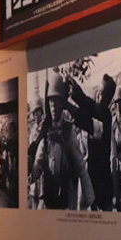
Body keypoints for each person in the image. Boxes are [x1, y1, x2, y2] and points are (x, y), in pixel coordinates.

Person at [31, 73, 94, 210]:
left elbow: (80, 164)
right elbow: (38, 162)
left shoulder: (68, 130)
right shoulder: (45, 131)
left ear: (62, 105)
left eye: (57, 102)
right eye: (51, 102)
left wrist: (89, 195)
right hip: (49, 192)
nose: (53, 107)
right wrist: (31, 173)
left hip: (66, 193)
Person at [65, 73, 116, 211]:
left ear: (108, 98)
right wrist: (75, 89)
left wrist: (67, 104)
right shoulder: (100, 112)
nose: (98, 94)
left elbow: (85, 119)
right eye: (98, 91)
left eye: (101, 92)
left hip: (102, 182)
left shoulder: (105, 116)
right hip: (94, 179)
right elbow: (89, 104)